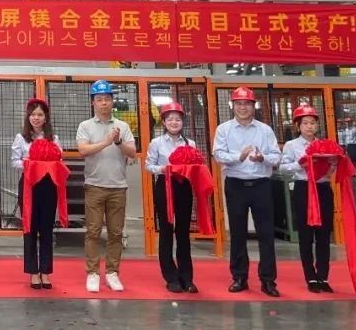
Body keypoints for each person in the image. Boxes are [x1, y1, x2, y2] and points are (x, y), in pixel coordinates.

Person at [212, 86, 281, 297]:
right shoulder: (224, 129)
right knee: (238, 233)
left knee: (266, 234)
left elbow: (276, 156)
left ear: (254, 106)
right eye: (239, 104)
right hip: (236, 185)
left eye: (247, 104)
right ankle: (239, 277)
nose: (243, 108)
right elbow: (218, 154)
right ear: (233, 106)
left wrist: (263, 158)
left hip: (261, 185)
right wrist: (238, 157)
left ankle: (268, 280)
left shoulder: (265, 130)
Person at [77, 80, 136, 293]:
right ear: (93, 102)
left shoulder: (123, 126)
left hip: (118, 186)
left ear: (112, 101)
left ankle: (112, 272)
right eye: (99, 99)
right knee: (93, 231)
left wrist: (118, 142)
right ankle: (92, 273)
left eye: (107, 99)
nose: (104, 103)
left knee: (116, 232)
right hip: (94, 185)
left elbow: (132, 152)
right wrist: (106, 142)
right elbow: (83, 150)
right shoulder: (85, 126)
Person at [279, 105, 337, 293]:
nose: (309, 126)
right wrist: (300, 164)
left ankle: (323, 276)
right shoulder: (291, 146)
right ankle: (310, 277)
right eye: (305, 123)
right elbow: (283, 169)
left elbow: (329, 172)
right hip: (303, 189)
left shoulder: (325, 145)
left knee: (324, 234)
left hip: (323, 189)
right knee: (306, 235)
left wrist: (333, 165)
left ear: (317, 125)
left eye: (312, 123)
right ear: (298, 126)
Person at [144, 102, 198, 294]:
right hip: (164, 185)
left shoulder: (190, 143)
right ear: (164, 122)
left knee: (183, 231)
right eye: (170, 119)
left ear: (182, 121)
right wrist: (164, 168)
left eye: (178, 119)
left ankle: (187, 277)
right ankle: (171, 277)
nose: (174, 122)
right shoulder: (156, 143)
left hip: (184, 186)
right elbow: (148, 166)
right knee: (166, 230)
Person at [11, 98, 60, 290]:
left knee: (47, 228)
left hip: (49, 185)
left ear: (46, 117)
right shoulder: (21, 138)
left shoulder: (53, 138)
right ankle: (33, 272)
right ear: (28, 117)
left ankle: (45, 272)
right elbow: (14, 162)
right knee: (30, 228)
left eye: (40, 114)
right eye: (33, 114)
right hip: (29, 185)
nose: (36, 118)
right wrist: (30, 163)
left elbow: (59, 159)